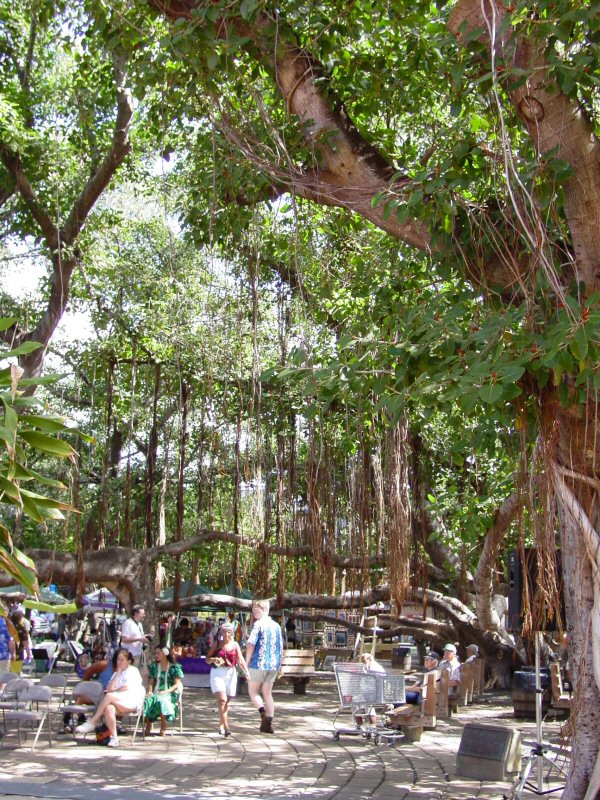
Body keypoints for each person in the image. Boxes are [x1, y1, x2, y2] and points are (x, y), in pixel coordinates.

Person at [75, 648, 145, 748]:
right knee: (109, 708)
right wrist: (118, 673)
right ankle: (114, 738)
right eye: (118, 659)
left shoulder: (133, 671)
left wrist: (114, 691)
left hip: (131, 701)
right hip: (118, 701)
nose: (119, 662)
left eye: (122, 660)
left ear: (128, 661)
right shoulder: (116, 673)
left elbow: (127, 689)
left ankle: (92, 722)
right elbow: (109, 688)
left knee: (108, 696)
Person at [245, 599, 283, 734]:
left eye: (257, 609)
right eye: (253, 609)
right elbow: (280, 647)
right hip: (273, 664)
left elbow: (251, 644)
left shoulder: (258, 625)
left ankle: (263, 715)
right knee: (267, 693)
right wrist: (280, 664)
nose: (254, 611)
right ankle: (269, 722)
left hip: (258, 663)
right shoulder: (276, 626)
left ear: (265, 610)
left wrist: (246, 662)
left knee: (253, 691)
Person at [206, 622, 250, 736]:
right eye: (225, 632)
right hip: (218, 672)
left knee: (226, 702)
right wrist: (214, 659)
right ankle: (226, 727)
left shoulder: (235, 645)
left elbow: (240, 660)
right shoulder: (217, 644)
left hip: (230, 673)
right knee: (222, 700)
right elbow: (207, 659)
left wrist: (246, 671)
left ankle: (221, 724)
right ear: (221, 633)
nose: (227, 635)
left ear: (232, 633)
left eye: (229, 632)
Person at [143, 646, 184, 736]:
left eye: (158, 653)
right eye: (155, 653)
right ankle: (148, 724)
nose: (156, 655)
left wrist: (166, 692)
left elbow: (176, 685)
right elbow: (151, 682)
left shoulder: (174, 667)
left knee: (162, 701)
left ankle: (163, 724)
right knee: (148, 700)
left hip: (170, 693)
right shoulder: (154, 666)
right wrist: (150, 691)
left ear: (165, 654)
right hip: (157, 692)